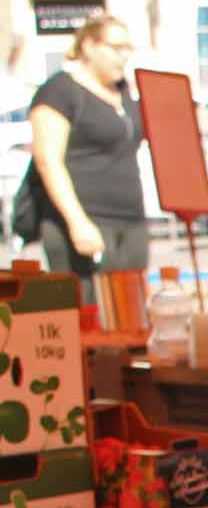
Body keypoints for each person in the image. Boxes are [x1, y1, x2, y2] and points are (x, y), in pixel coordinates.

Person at [25, 16, 150, 302]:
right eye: (116, 47)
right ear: (90, 46)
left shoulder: (123, 92)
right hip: (85, 221)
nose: (124, 56)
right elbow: (48, 159)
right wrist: (77, 222)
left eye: (127, 48)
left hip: (130, 221)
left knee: (130, 316)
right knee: (89, 318)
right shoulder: (60, 91)